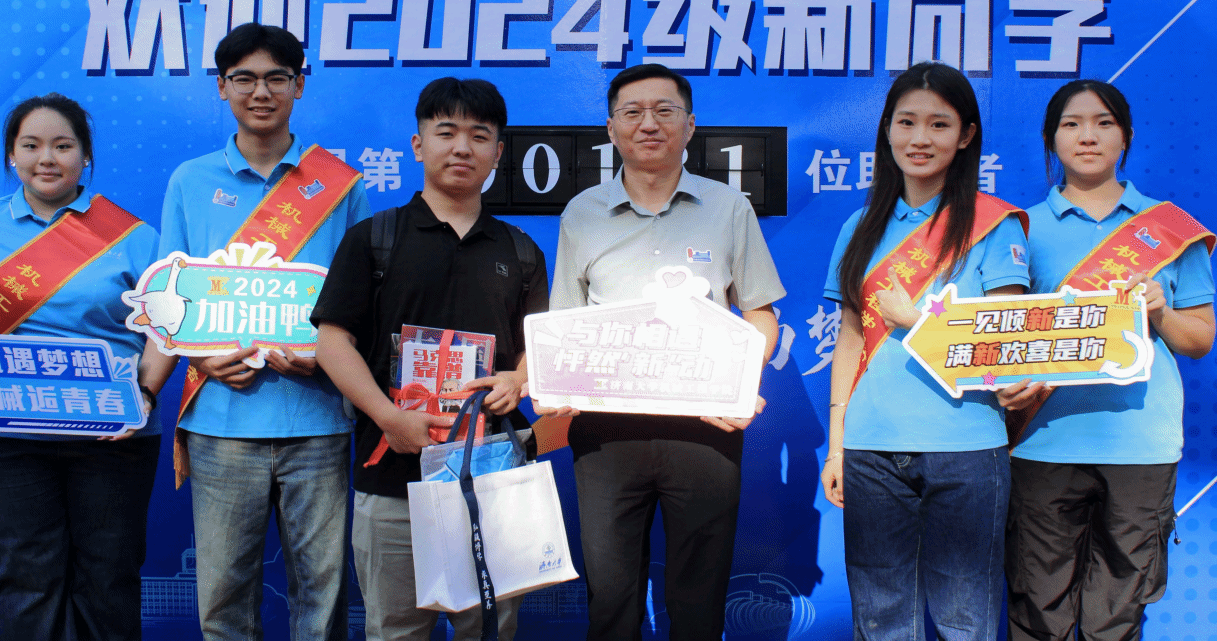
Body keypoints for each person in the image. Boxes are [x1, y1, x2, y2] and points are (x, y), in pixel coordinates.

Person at [135, 22, 370, 641]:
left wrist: (326, 356)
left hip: (316, 419)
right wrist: (199, 358)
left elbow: (360, 302)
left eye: (275, 78)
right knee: (223, 602)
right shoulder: (190, 181)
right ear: (222, 87)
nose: (260, 92)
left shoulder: (339, 185)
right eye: (244, 79)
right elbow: (168, 300)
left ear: (299, 85)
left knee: (321, 599)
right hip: (220, 421)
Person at [549, 63, 784, 641]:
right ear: (611, 129)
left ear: (690, 125)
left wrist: (740, 384)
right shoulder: (581, 213)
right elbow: (563, 324)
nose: (648, 124)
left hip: (704, 427)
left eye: (664, 111)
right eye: (632, 113)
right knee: (611, 599)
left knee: (699, 599)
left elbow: (760, 313)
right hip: (605, 434)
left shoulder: (728, 208)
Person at [312, 77, 548, 641]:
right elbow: (332, 343)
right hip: (392, 477)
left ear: (498, 152)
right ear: (418, 145)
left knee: (488, 629)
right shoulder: (374, 239)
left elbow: (539, 349)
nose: (462, 147)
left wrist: (518, 380)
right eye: (446, 132)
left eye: (479, 136)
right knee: (394, 631)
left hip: (492, 478)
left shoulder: (521, 251)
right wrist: (389, 418)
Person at [0, 93, 161, 641]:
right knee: (27, 574)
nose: (47, 159)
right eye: (31, 146)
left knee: (109, 575)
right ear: (12, 155)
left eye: (63, 145)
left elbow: (165, 331)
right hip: (8, 435)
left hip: (112, 433)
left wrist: (145, 394)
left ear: (86, 155)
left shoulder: (133, 236)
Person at [820, 61, 1030, 641]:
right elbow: (850, 337)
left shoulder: (993, 225)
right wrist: (837, 446)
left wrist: (915, 322)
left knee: (966, 619)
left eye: (939, 125)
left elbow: (1003, 340)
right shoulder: (860, 226)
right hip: (871, 446)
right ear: (887, 129)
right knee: (881, 619)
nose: (920, 138)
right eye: (906, 122)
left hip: (966, 446)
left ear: (965, 136)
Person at [1001, 80, 1215, 641]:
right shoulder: (1018, 229)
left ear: (1126, 137)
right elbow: (997, 333)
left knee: (1118, 617)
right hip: (1042, 442)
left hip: (1140, 445)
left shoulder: (1170, 229)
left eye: (1104, 123)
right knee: (1037, 610)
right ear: (1050, 139)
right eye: (1071, 124)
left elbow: (1200, 339)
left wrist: (1161, 313)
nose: (1087, 136)